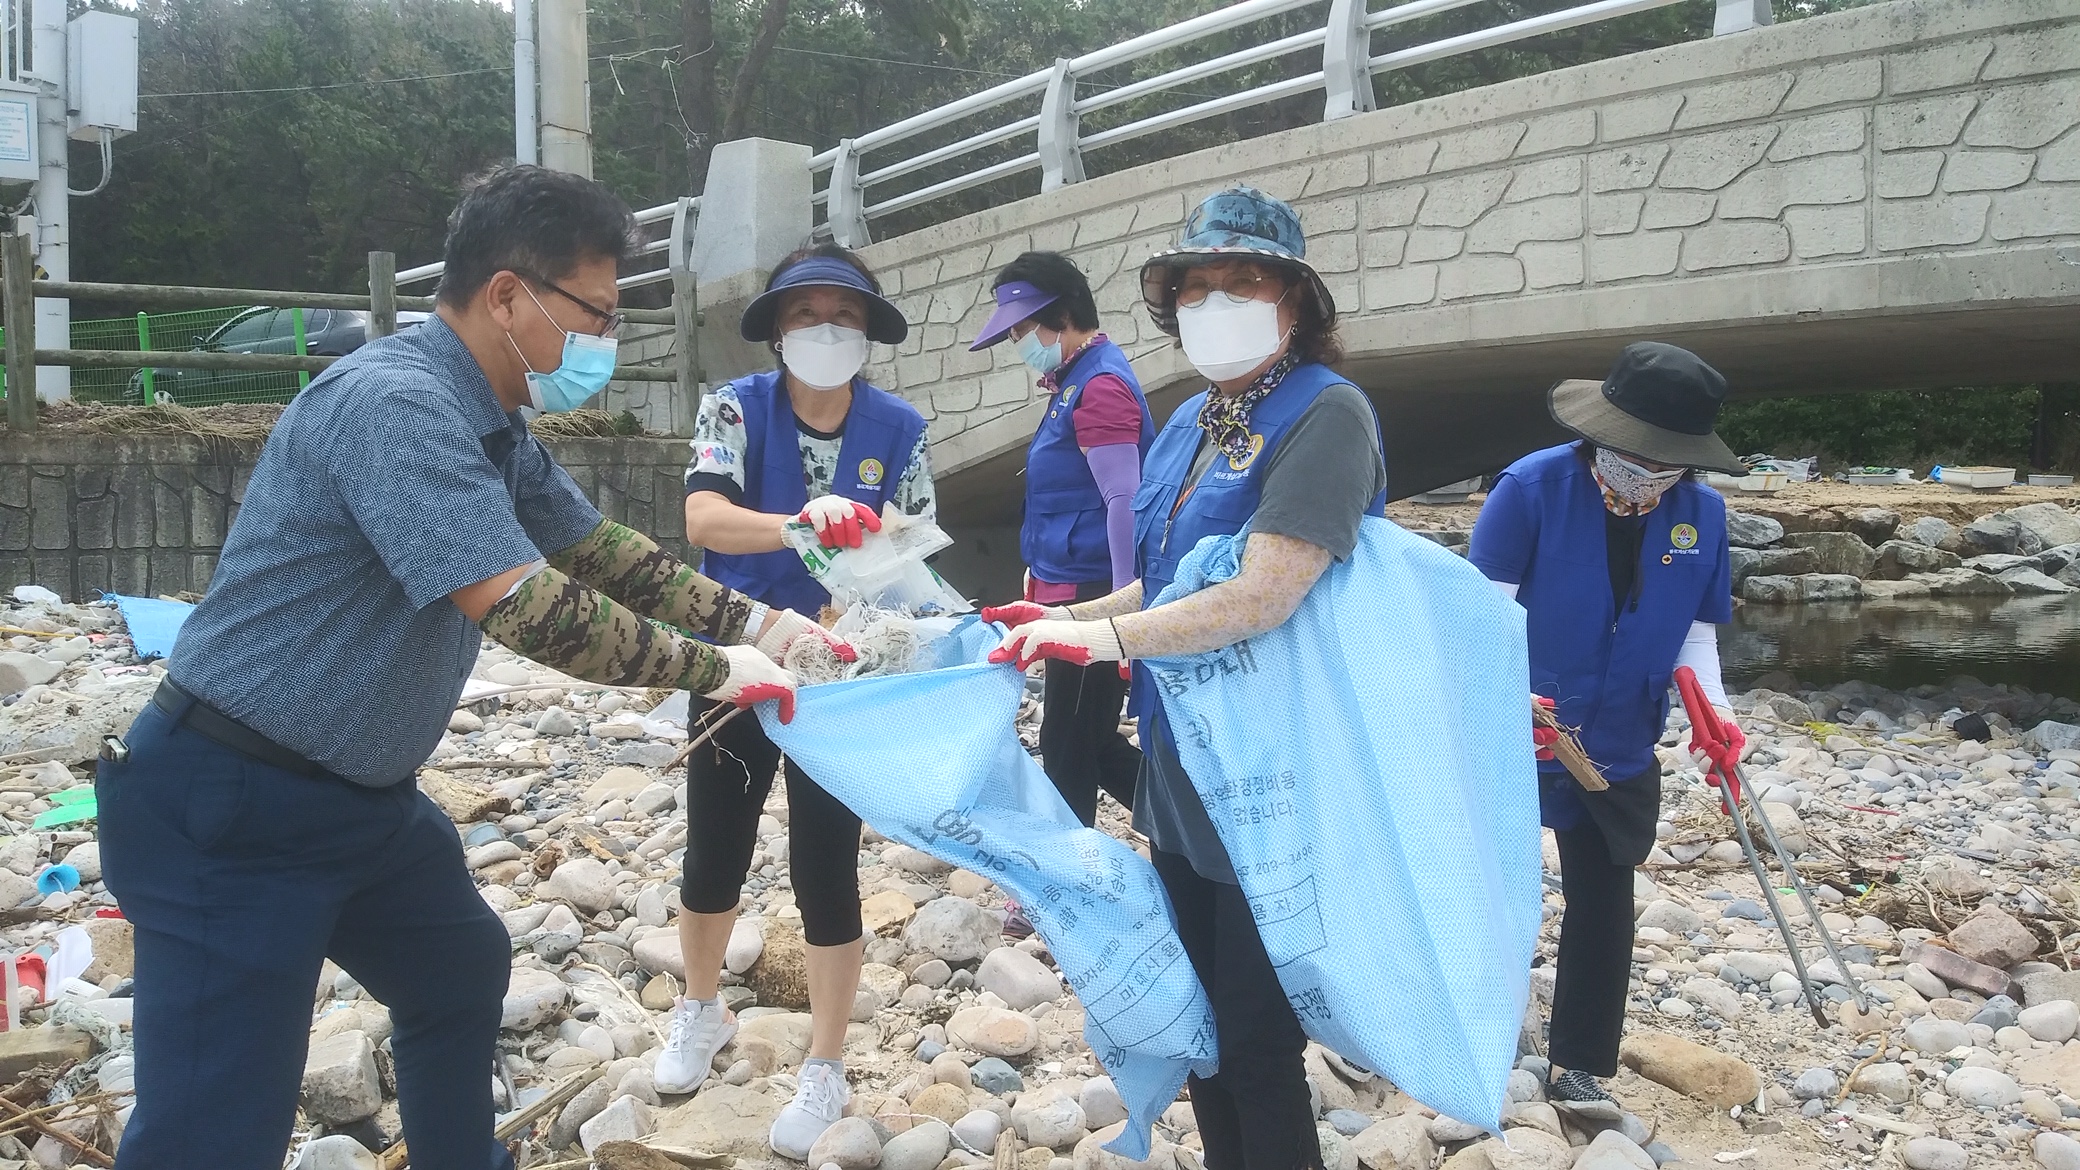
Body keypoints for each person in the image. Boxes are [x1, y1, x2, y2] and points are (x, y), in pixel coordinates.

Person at [93, 165, 841, 1170]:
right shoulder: (395, 405)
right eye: (596, 313)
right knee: (215, 1129)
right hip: (232, 803)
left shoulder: (491, 419)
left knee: (457, 965)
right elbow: (526, 605)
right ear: (506, 296)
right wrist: (715, 668)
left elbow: (595, 550)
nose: (606, 341)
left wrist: (763, 620)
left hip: (361, 803)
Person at [986, 187, 1385, 1170]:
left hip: (1269, 777)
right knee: (1197, 1022)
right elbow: (1158, 579)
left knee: (1255, 1037)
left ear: (1295, 300)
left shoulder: (1327, 417)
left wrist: (1105, 644)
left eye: (1242, 280)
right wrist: (1063, 618)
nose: (1216, 301)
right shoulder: (1191, 422)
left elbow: (1264, 594)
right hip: (1179, 769)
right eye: (1196, 285)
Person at [660, 244, 931, 1157]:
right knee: (716, 848)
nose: (826, 330)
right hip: (738, 660)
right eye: (807, 314)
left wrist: (882, 602)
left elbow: (913, 548)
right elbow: (701, 517)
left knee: (826, 865)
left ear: (868, 331)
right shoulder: (734, 408)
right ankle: (699, 1010)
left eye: (844, 315)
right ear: (777, 329)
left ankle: (825, 1064)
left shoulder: (899, 429)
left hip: (840, 680)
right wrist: (791, 525)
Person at [1467, 342, 1746, 1104]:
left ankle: (1581, 1062)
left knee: (1603, 894)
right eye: (1636, 455)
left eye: (1669, 462)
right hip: (1517, 727)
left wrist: (1713, 715)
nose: (1650, 473)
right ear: (1601, 433)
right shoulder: (1530, 489)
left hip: (1620, 733)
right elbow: (1480, 616)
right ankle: (1464, 1034)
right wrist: (1500, 699)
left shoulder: (1702, 513)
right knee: (1491, 887)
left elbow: (1694, 632)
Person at [968, 252, 1152, 829]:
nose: (1020, 341)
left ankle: (1064, 885)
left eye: (1024, 328)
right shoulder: (1071, 382)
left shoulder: (1098, 387)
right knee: (1087, 739)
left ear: (1063, 314)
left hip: (1094, 593)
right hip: (1065, 587)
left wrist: (1124, 621)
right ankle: (1189, 838)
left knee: (1069, 741)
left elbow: (1124, 500)